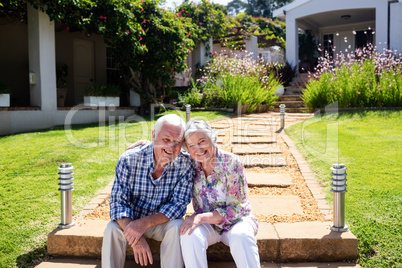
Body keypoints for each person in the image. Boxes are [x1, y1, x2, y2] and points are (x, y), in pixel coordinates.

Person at [102, 114, 195, 268]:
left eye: (177, 141)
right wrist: (136, 236)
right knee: (112, 229)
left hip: (160, 223)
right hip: (130, 220)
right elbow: (118, 203)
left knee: (178, 225)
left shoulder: (186, 165)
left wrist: (143, 224)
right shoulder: (129, 159)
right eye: (165, 139)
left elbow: (178, 206)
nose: (171, 147)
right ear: (153, 135)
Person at [179, 120, 260, 268]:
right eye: (191, 145)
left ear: (213, 139)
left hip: (237, 221)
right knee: (188, 234)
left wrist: (200, 217)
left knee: (241, 236)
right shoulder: (189, 164)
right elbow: (166, 148)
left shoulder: (231, 162)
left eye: (202, 141)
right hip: (208, 224)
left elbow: (237, 209)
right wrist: (145, 144)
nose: (198, 149)